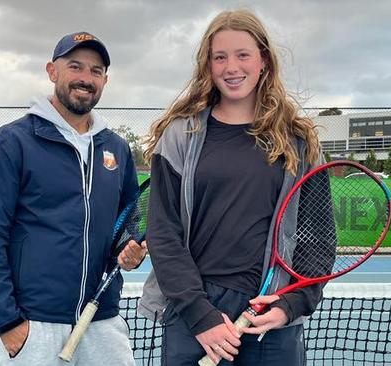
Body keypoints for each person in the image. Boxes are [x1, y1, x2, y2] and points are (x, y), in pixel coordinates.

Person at [139, 10, 325, 366]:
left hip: (269, 317)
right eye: (220, 57)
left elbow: (317, 239)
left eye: (243, 55)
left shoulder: (299, 142)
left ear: (263, 61)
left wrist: (289, 305)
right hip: (193, 316)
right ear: (208, 65)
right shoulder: (180, 135)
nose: (231, 67)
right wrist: (202, 316)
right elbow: (163, 235)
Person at [0, 31, 147, 366]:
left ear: (105, 80)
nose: (85, 78)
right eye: (75, 66)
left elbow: (129, 221)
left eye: (96, 71)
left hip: (103, 321)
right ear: (52, 71)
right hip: (34, 327)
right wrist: (8, 323)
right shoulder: (8, 144)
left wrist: (132, 249)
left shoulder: (117, 149)